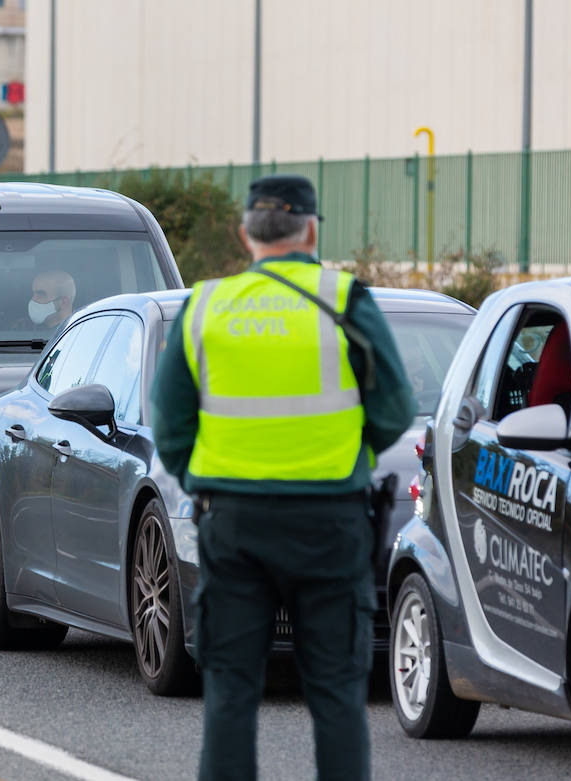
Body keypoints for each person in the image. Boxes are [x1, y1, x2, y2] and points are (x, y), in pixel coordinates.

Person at [150, 175, 415, 780]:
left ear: (246, 234)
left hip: (233, 523)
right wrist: (347, 458)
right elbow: (396, 409)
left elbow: (169, 422)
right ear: (312, 230)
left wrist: (205, 479)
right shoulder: (345, 299)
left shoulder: (206, 306)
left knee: (230, 694)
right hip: (331, 522)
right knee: (337, 695)